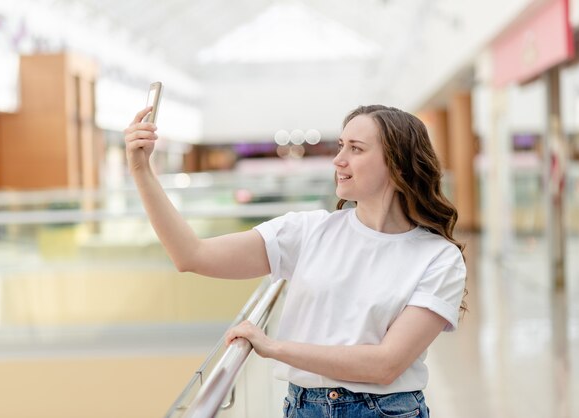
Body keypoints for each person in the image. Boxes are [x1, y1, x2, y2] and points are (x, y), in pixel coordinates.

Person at [124, 104, 467, 418]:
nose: (338, 160)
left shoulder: (438, 257)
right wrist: (142, 171)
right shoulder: (307, 230)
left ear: (397, 163)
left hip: (387, 411)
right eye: (341, 146)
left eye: (356, 149)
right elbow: (191, 256)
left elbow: (386, 365)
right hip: (303, 407)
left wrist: (275, 347)